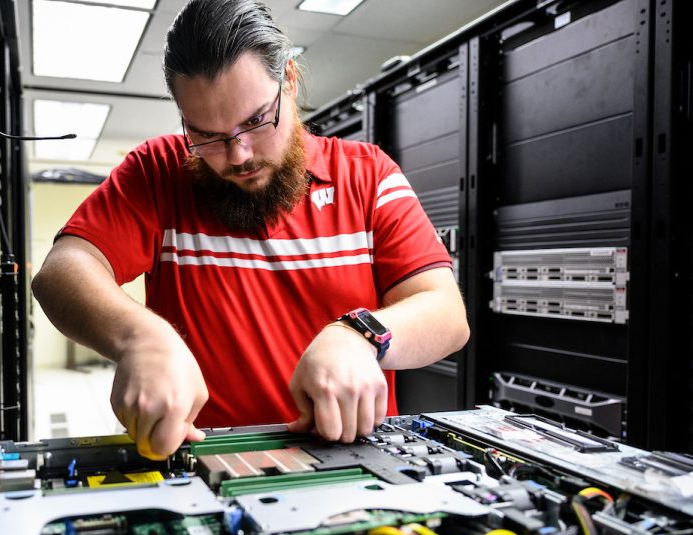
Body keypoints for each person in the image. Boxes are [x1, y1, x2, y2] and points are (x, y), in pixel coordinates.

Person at [32, 0, 469, 461]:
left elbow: (445, 314)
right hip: (206, 467)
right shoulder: (159, 171)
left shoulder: (368, 175)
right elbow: (62, 272)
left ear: (290, 82)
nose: (237, 154)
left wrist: (359, 334)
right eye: (206, 135)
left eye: (256, 121)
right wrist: (138, 337)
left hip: (351, 462)